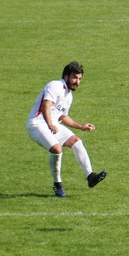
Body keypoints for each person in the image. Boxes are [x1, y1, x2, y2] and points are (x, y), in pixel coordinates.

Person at [26, 62, 107, 197]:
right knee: (57, 149)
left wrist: (81, 126)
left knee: (76, 141)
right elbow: (46, 105)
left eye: (79, 79)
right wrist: (50, 123)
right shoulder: (56, 86)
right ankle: (57, 184)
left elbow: (63, 116)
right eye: (74, 77)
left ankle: (90, 176)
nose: (77, 82)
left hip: (52, 125)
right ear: (66, 76)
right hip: (37, 124)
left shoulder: (68, 95)